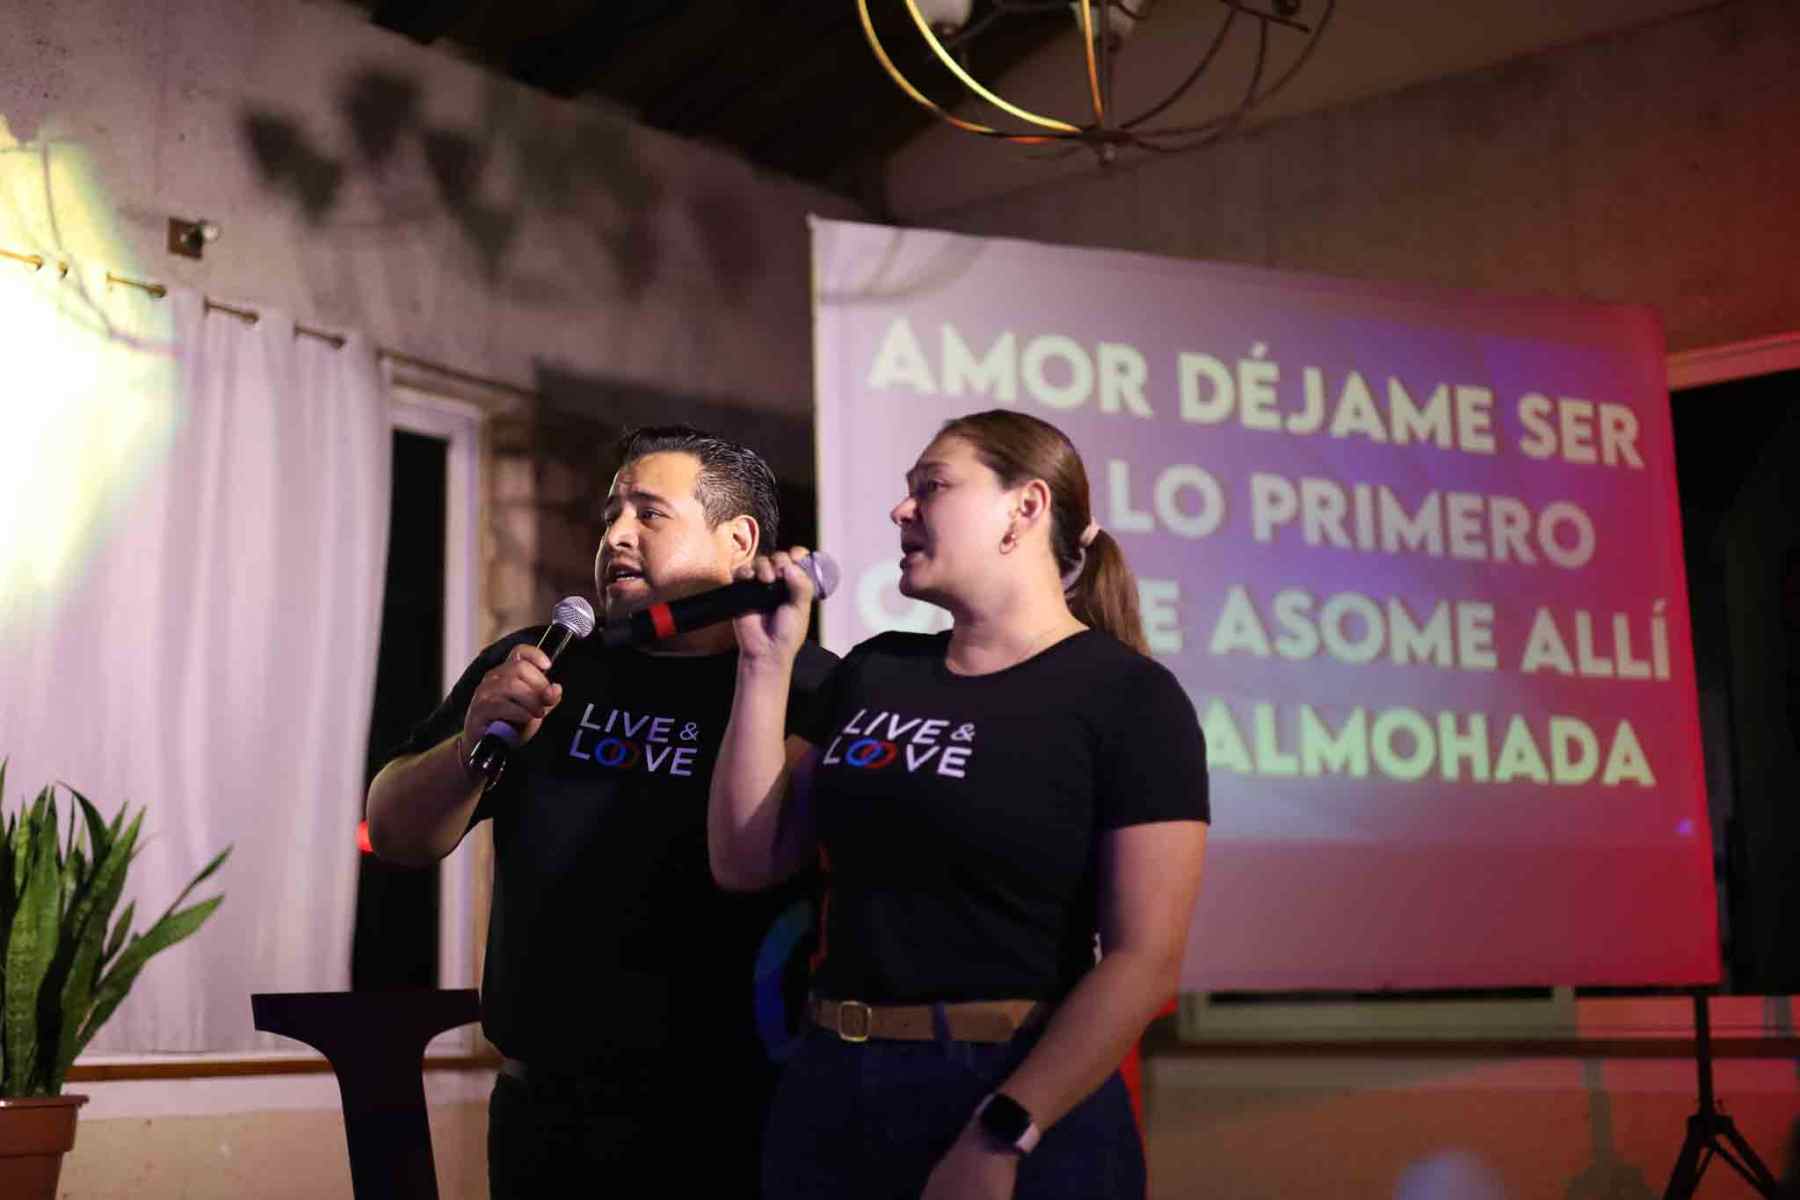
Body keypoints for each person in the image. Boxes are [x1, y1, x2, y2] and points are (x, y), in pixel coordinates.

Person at [710, 408, 1210, 1200]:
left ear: (1026, 507)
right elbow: (747, 859)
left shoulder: (1129, 698)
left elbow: (1143, 963)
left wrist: (1003, 1132)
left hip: (1010, 1086)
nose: (900, 510)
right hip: (831, 1084)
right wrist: (764, 666)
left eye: (932, 487)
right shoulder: (875, 670)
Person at [366, 425, 837, 1198]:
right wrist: (469, 745)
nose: (616, 535)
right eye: (612, 514)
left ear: (739, 541)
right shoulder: (544, 661)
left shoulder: (810, 685)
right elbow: (394, 834)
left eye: (649, 514)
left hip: (731, 1112)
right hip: (544, 1114)